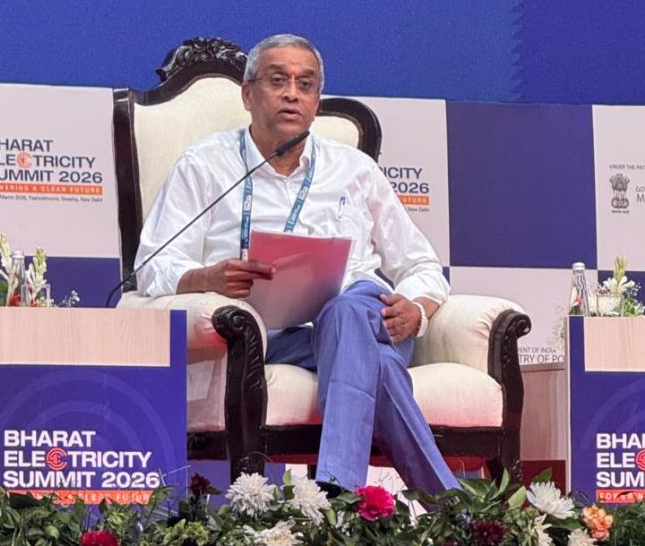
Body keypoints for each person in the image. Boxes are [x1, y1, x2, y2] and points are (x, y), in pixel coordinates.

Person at [135, 34, 458, 495]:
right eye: (277, 81)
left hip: (368, 317)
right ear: (248, 95)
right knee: (378, 363)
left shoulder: (355, 169)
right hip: (265, 337)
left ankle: (338, 491)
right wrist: (207, 278)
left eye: (305, 85)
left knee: (346, 310)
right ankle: (453, 509)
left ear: (316, 102)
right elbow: (151, 265)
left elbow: (421, 263)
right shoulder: (204, 166)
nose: (292, 94)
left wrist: (418, 309)